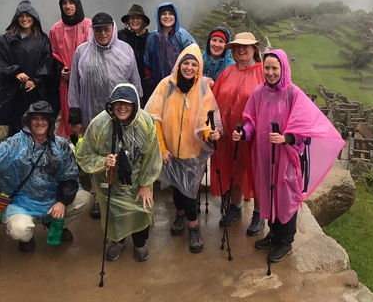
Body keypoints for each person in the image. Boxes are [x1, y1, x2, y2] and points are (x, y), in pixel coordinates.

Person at [232, 49, 345, 263]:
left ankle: (285, 242)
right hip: (264, 154)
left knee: (286, 197)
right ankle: (274, 234)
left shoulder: (293, 94)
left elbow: (304, 128)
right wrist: (244, 133)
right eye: (267, 68)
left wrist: (286, 138)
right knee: (269, 192)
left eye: (275, 68)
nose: (271, 72)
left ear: (283, 68)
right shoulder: (259, 93)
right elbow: (252, 122)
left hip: (286, 157)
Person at [0, 102, 92, 253]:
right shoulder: (16, 144)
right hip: (23, 203)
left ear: (50, 122)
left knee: (85, 199)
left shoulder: (60, 145)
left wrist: (61, 201)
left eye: (44, 118)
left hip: (54, 199)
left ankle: (57, 223)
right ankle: (27, 237)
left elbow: (70, 177)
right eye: (35, 118)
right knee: (18, 229)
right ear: (28, 121)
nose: (40, 122)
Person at [145, 44, 222, 254]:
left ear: (199, 67)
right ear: (179, 64)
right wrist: (161, 148)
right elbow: (154, 118)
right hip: (169, 151)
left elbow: (207, 120)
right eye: (185, 63)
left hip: (192, 153)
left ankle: (193, 227)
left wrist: (210, 135)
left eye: (194, 64)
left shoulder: (204, 89)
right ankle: (179, 214)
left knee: (190, 194)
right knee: (176, 190)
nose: (189, 67)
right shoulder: (166, 85)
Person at [76, 84, 162, 262]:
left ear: (135, 105)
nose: (122, 107)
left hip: (138, 179)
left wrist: (145, 184)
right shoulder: (100, 124)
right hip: (110, 182)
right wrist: (103, 161)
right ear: (111, 105)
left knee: (141, 211)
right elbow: (84, 155)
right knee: (114, 215)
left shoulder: (145, 122)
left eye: (127, 103)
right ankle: (118, 241)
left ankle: (140, 244)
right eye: (118, 103)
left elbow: (152, 156)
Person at [68, 12, 142, 219]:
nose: (102, 33)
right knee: (97, 155)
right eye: (98, 29)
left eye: (106, 29)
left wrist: (137, 114)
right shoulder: (81, 52)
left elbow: (135, 84)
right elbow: (73, 85)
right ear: (92, 30)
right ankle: (98, 197)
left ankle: (121, 193)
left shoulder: (125, 51)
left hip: (122, 115)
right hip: (92, 115)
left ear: (113, 29)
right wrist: (75, 117)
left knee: (122, 153)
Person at [210, 32, 265, 235]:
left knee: (256, 172)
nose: (241, 49)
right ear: (232, 51)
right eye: (237, 46)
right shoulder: (227, 72)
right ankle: (236, 207)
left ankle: (259, 213)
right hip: (228, 135)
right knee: (233, 170)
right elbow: (215, 98)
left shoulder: (262, 73)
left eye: (246, 46)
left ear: (254, 49)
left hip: (254, 135)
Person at [0, 0, 53, 136]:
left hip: (35, 91)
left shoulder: (42, 40)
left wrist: (36, 81)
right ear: (16, 18)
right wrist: (15, 73)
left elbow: (47, 63)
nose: (24, 19)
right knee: (15, 128)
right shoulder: (6, 39)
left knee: (36, 125)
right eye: (21, 15)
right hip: (13, 92)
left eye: (28, 15)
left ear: (34, 17)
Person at [48, 0, 92, 139]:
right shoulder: (55, 30)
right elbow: (53, 55)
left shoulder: (88, 25)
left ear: (77, 4)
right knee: (70, 117)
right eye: (64, 3)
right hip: (66, 82)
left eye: (71, 2)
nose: (67, 6)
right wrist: (62, 70)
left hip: (88, 79)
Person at [144, 2, 195, 98]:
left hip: (180, 84)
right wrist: (148, 79)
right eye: (164, 14)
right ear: (159, 17)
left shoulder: (183, 36)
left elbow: (194, 57)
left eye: (170, 14)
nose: (167, 16)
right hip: (157, 85)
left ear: (175, 17)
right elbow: (147, 61)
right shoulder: (153, 37)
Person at [117, 4, 151, 106]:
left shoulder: (150, 39)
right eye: (132, 18)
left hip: (144, 84)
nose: (135, 21)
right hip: (123, 81)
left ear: (143, 22)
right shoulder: (119, 36)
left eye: (138, 18)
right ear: (128, 20)